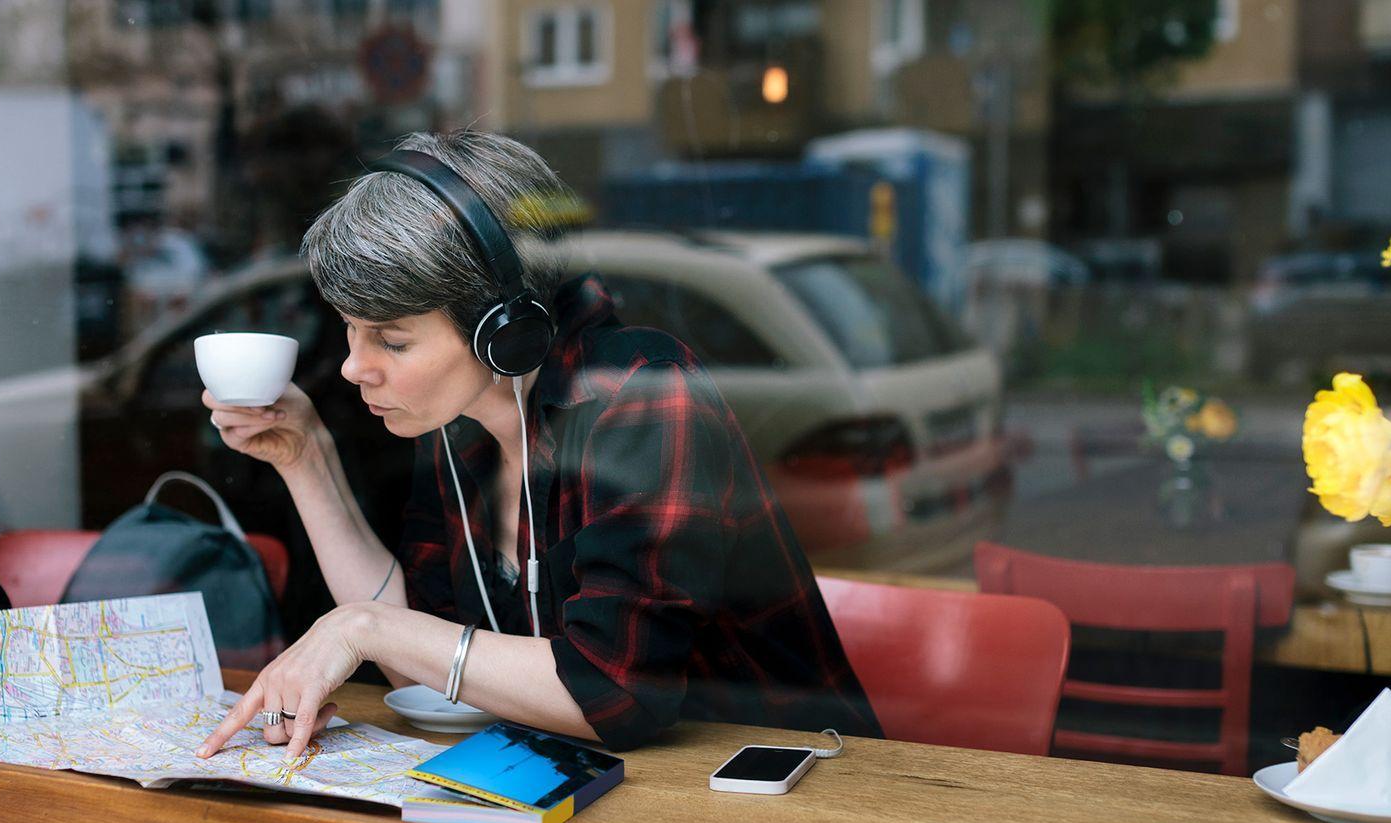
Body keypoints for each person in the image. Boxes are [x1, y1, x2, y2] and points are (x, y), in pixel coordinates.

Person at [195, 131, 879, 762]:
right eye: (351, 330)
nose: (353, 367)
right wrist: (306, 458)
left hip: (791, 789)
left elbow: (617, 693)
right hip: (614, 795)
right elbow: (422, 672)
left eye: (392, 339)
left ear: (505, 328)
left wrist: (364, 628)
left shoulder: (644, 397)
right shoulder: (459, 427)